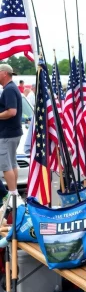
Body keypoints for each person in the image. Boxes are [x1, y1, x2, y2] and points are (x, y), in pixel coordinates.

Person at [0, 64, 23, 198]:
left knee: (6, 165)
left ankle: (13, 194)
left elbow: (12, 111)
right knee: (12, 163)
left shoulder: (9, 89)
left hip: (7, 133)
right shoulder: (12, 88)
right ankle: (14, 194)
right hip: (13, 132)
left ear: (4, 73)